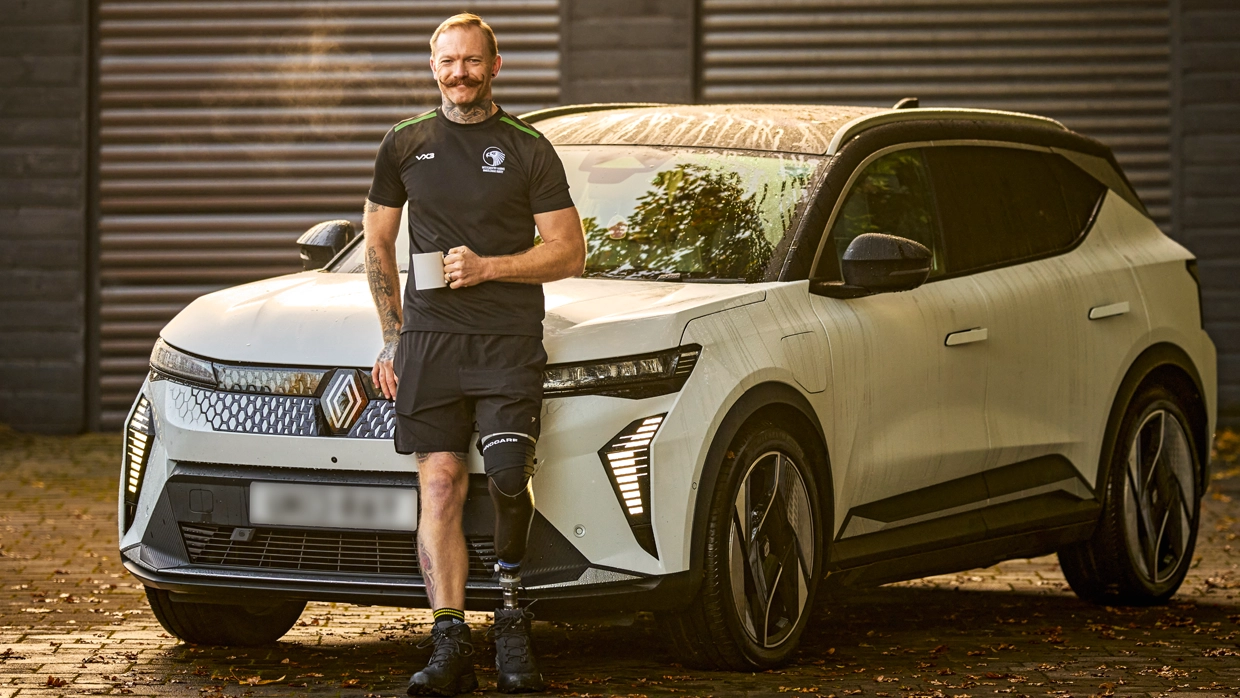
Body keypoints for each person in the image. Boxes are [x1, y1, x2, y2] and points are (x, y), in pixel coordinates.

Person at [361, 13, 585, 697]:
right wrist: (394, 335)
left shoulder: (527, 147)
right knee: (438, 484)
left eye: (471, 61)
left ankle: (512, 612)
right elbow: (377, 246)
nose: (458, 73)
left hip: (507, 339)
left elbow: (569, 251)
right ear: (433, 66)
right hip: (430, 343)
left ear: (496, 65)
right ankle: (450, 637)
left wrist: (489, 269)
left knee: (509, 476)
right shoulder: (403, 144)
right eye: (446, 61)